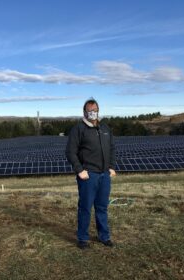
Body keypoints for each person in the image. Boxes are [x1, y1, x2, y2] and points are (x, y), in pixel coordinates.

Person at [66, 98, 116, 249]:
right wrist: (79, 170)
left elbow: (112, 148)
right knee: (85, 208)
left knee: (102, 207)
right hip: (88, 176)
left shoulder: (105, 128)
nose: (92, 113)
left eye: (95, 110)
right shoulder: (79, 129)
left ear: (98, 111)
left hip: (104, 175)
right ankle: (83, 238)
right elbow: (70, 152)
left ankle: (104, 236)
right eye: (89, 111)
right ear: (84, 112)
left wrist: (111, 166)